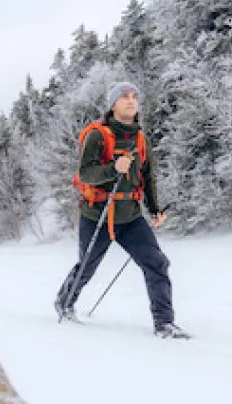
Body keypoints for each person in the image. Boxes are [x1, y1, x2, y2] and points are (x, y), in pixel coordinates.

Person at [54, 81, 190, 339]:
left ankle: (164, 323)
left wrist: (154, 209)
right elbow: (85, 173)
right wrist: (112, 169)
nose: (130, 100)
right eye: (124, 97)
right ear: (113, 103)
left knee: (157, 264)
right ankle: (64, 302)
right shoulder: (97, 135)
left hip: (130, 216)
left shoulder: (140, 138)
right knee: (87, 267)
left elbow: (147, 176)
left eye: (134, 96)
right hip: (98, 214)